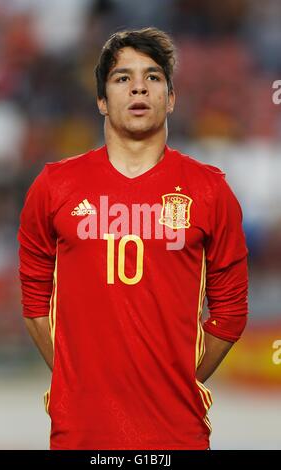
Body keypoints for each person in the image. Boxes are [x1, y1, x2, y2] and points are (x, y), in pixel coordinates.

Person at [17, 27, 248, 450]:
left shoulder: (210, 191)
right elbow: (34, 298)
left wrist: (178, 377)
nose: (138, 86)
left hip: (177, 434)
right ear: (102, 101)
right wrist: (74, 377)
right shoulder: (54, 186)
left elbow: (230, 311)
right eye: (122, 78)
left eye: (153, 77)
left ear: (171, 98)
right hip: (80, 433)